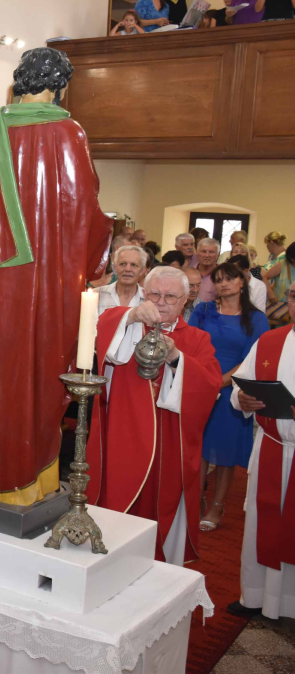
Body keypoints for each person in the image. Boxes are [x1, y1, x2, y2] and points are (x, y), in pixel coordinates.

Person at [0, 47, 113, 505]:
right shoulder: (67, 131)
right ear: (59, 85)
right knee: (34, 367)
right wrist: (102, 246)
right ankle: (30, 486)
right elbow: (85, 209)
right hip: (44, 282)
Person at [86, 267, 222, 565]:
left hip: (170, 442)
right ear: (144, 294)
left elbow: (210, 386)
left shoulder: (197, 339)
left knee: (162, 507)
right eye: (155, 294)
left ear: (185, 299)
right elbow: (98, 335)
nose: (161, 302)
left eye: (170, 296)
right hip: (122, 434)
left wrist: (176, 358)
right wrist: (132, 316)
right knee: (117, 502)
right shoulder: (127, 322)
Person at [226, 283, 295, 620]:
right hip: (271, 447)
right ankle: (255, 597)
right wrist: (242, 400)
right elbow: (240, 385)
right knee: (259, 525)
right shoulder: (270, 341)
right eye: (294, 296)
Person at [188, 262, 269, 532]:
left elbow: (251, 359)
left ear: (242, 282)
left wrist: (218, 384)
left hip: (233, 391)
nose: (223, 284)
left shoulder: (256, 318)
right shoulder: (204, 310)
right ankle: (195, 500)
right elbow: (190, 345)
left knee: (225, 451)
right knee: (197, 448)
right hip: (200, 384)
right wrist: (205, 384)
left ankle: (217, 505)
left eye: (230, 279)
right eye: (219, 280)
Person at [97, 245, 147, 315]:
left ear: (142, 270)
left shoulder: (148, 298)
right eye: (122, 264)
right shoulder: (96, 296)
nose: (127, 269)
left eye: (134, 265)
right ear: (115, 268)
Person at [195, 237, 221, 304]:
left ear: (218, 255)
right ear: (197, 253)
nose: (207, 255)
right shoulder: (188, 273)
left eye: (211, 252)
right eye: (203, 251)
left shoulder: (223, 275)